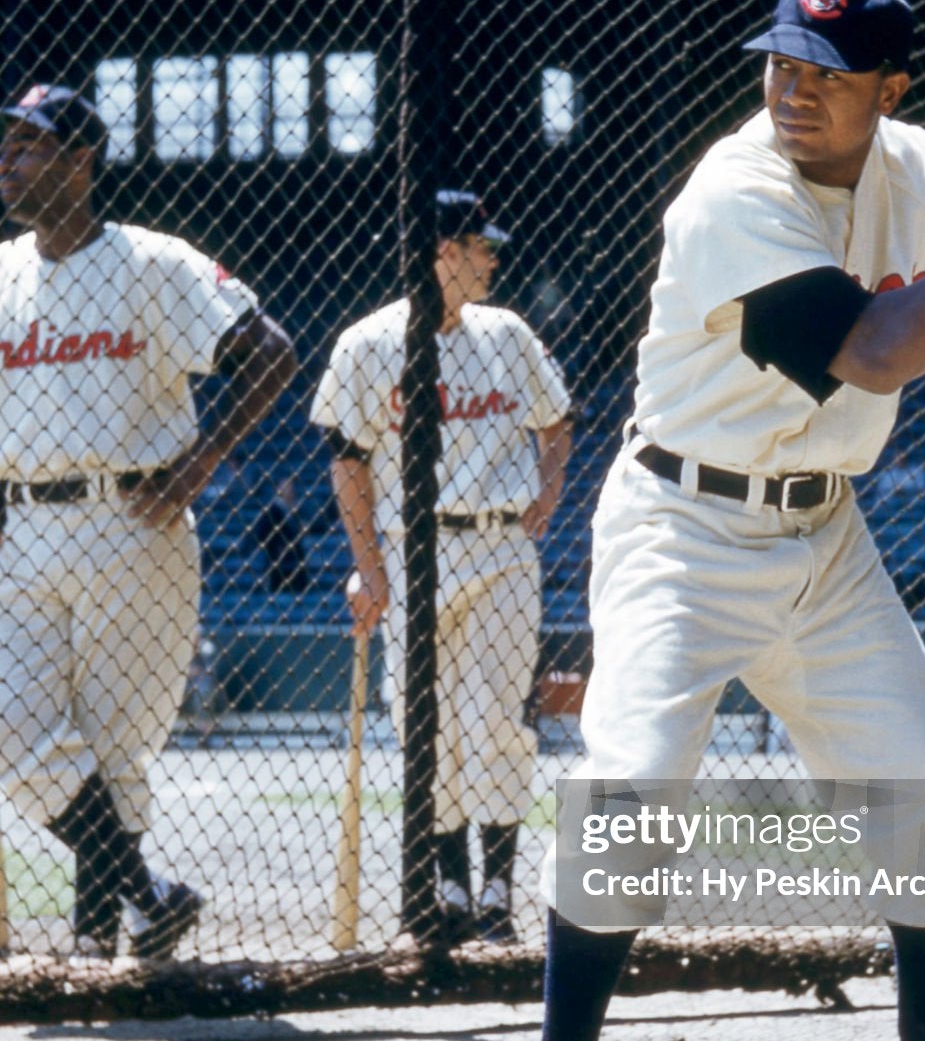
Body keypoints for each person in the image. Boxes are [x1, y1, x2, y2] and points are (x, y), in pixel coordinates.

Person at [516, 0, 925, 1041]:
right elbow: (878, 354)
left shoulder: (924, 168)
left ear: (889, 89)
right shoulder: (735, 188)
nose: (793, 90)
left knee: (922, 790)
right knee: (633, 789)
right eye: (781, 63)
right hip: (681, 520)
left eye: (826, 75)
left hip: (824, 535)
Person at [0, 84, 297, 958]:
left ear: (81, 161)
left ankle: (102, 953)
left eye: (30, 145)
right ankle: (149, 893)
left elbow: (271, 352)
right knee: (17, 732)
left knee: (114, 751)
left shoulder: (155, 263)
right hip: (24, 526)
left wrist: (203, 462)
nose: (10, 159)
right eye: (8, 144)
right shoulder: (2, 273)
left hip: (135, 521)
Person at [312, 190, 573, 944]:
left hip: (499, 548)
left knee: (497, 725)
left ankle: (495, 896)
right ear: (443, 253)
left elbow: (558, 422)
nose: (494, 257)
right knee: (427, 730)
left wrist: (549, 489)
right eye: (479, 246)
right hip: (411, 547)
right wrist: (369, 567)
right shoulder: (368, 344)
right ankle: (448, 893)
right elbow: (347, 465)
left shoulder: (509, 334)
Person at [255, 476, 309, 594]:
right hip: (277, 564)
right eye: (286, 487)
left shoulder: (296, 511)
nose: (289, 490)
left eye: (291, 487)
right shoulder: (272, 511)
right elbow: (262, 534)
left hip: (295, 564)